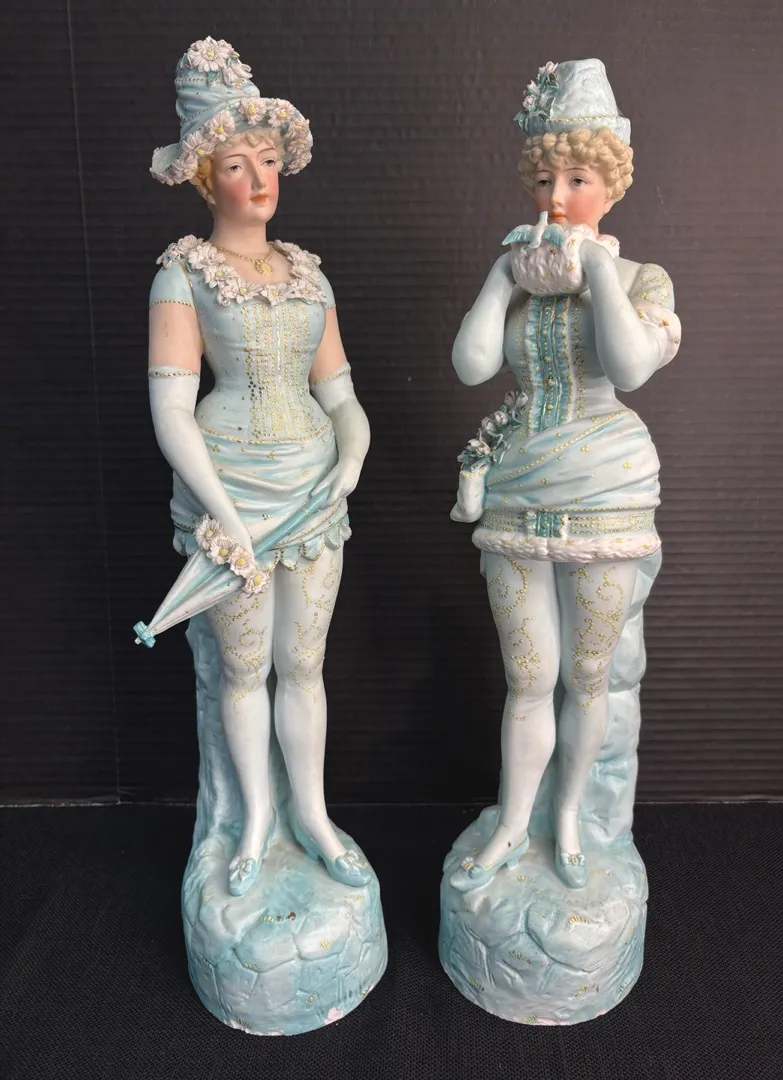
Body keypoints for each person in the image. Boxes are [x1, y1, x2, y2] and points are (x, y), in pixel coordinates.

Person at [449, 59, 681, 892]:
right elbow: (472, 365)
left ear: (610, 186)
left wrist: (599, 273)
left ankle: (571, 818)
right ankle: (515, 820)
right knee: (528, 679)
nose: (556, 197)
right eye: (546, 179)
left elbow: (632, 366)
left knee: (587, 679)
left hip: (607, 491)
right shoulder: (522, 281)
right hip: (518, 491)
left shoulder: (642, 279)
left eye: (577, 179)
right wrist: (498, 278)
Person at [148, 38, 371, 896]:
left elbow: (341, 394)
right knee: (243, 670)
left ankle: (311, 814)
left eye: (268, 160)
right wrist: (223, 511)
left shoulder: (309, 274)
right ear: (207, 178)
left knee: (303, 665)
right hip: (229, 489)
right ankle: (255, 822)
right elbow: (172, 410)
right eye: (237, 164)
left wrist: (353, 452)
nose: (258, 178)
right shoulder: (183, 274)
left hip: (314, 493)